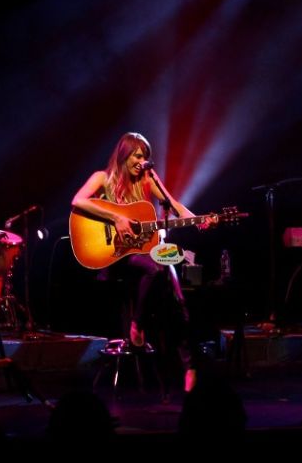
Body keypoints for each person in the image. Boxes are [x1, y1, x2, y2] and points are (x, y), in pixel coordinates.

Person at [71, 132, 215, 392]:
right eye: (138, 155)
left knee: (175, 289)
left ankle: (189, 366)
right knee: (157, 267)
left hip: (144, 252)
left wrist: (198, 218)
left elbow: (172, 204)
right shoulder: (102, 178)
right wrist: (116, 218)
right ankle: (139, 323)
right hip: (114, 256)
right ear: (124, 155)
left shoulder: (148, 179)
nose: (142, 161)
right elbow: (78, 201)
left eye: (145, 156)